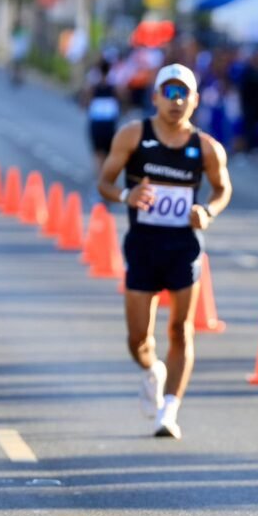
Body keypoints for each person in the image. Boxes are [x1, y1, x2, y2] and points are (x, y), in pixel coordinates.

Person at [97, 63, 232, 438]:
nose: (176, 101)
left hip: (183, 247)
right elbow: (104, 183)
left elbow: (223, 189)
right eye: (169, 93)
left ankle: (169, 410)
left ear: (195, 100)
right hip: (142, 245)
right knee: (137, 338)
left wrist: (207, 211)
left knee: (181, 330)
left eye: (183, 94)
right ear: (155, 97)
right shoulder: (132, 136)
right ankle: (151, 370)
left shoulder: (205, 147)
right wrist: (127, 194)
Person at [83, 58, 122, 188]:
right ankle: (105, 182)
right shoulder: (114, 85)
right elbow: (122, 98)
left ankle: (101, 182)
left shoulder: (94, 85)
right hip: (110, 123)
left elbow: (86, 101)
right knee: (107, 153)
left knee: (99, 154)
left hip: (97, 122)